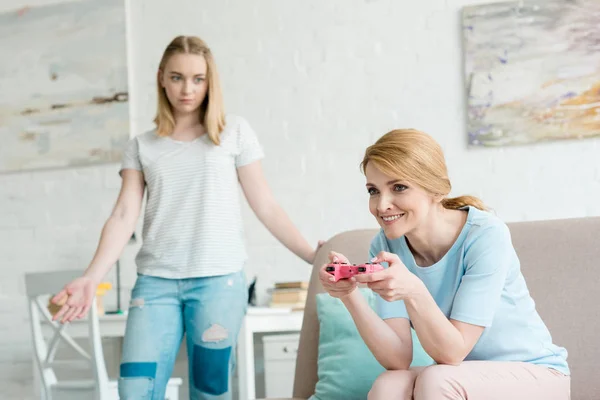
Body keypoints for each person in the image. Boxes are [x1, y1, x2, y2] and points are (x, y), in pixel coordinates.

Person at [51, 35, 322, 400]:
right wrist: (91, 276)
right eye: (177, 77)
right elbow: (123, 215)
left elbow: (266, 205)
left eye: (198, 78)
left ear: (211, 82)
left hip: (219, 283)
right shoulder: (142, 146)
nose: (187, 89)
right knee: (135, 389)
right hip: (155, 285)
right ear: (162, 77)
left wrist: (310, 254)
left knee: (210, 391)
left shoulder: (232, 133)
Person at [319, 129, 570, 399]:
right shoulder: (385, 246)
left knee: (438, 380)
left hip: (537, 373)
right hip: (464, 374)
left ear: (436, 190)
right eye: (373, 191)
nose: (382, 205)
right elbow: (397, 358)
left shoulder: (485, 235)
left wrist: (413, 290)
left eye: (398, 187)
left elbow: (452, 352)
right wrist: (350, 295)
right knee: (388, 385)